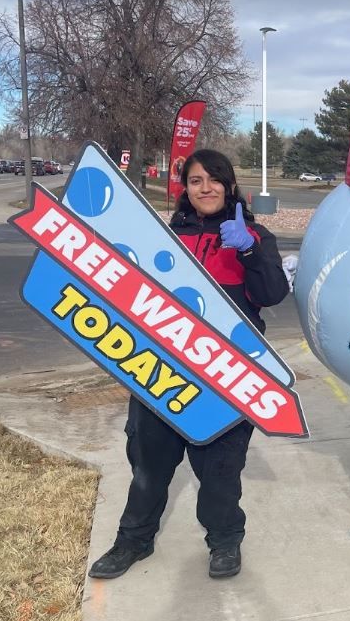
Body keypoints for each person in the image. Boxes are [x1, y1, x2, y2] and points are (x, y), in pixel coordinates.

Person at [88, 149, 290, 580]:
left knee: (220, 468)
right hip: (161, 370)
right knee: (149, 464)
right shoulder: (164, 237)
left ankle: (224, 541)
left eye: (214, 180)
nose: (206, 188)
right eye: (196, 181)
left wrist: (249, 250)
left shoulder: (252, 236)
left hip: (226, 374)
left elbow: (273, 293)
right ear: (186, 188)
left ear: (230, 185)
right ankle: (133, 541)